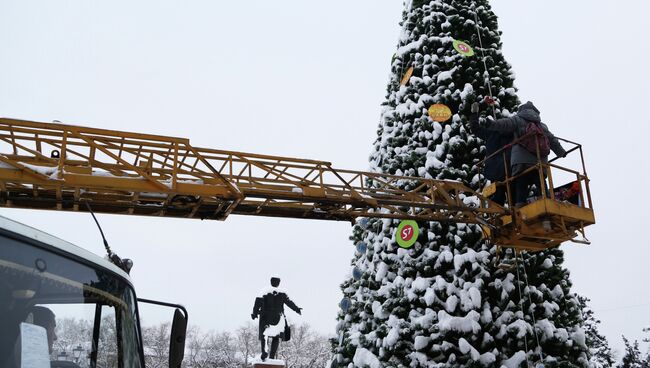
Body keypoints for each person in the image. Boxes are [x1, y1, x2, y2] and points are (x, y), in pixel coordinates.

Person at [482, 101, 566, 207]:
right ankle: (547, 198)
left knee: (521, 181)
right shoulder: (541, 126)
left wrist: (491, 124)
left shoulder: (518, 120)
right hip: (540, 160)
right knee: (540, 180)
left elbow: (505, 124)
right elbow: (552, 140)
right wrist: (561, 152)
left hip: (521, 159)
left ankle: (520, 204)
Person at [469, 101, 513, 205]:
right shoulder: (510, 133)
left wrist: (475, 113)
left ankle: (499, 211)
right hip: (509, 168)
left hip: (496, 170)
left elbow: (475, 128)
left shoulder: (491, 133)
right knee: (512, 194)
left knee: (499, 195)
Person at [251, 277, 302, 361]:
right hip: (278, 318)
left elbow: (257, 303)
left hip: (265, 317)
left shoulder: (264, 292)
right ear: (278, 283)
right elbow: (289, 303)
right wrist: (297, 309)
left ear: (271, 282)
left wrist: (254, 313)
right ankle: (272, 356)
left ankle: (264, 352)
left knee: (265, 335)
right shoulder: (282, 293)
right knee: (276, 337)